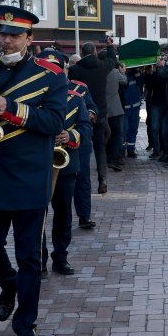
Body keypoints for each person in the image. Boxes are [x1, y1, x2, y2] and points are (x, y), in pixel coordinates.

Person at [0, 5, 66, 336]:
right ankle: (8, 286)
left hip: (28, 178)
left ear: (29, 39)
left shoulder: (51, 75)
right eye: (1, 33)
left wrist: (11, 109)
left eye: (14, 35)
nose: (6, 40)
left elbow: (53, 122)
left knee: (29, 259)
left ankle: (26, 326)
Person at [37, 49, 91, 276]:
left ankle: (61, 257)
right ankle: (38, 260)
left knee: (63, 214)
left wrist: (71, 136)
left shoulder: (76, 98)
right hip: (37, 164)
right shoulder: (30, 97)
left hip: (65, 163)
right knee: (37, 215)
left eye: (58, 68)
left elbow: (86, 127)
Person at [68, 39, 117, 194]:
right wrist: (110, 46)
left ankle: (82, 179)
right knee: (100, 148)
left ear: (82, 54)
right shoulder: (103, 67)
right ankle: (102, 179)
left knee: (82, 148)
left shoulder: (75, 70)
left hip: (81, 113)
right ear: (95, 52)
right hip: (100, 113)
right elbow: (112, 60)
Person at [70, 79, 99, 230]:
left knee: (82, 180)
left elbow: (92, 107)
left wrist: (90, 113)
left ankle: (84, 216)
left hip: (79, 144)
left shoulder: (79, 88)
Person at [104, 58, 128, 170]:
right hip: (115, 108)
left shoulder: (99, 70)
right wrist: (122, 71)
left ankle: (105, 158)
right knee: (117, 134)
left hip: (102, 108)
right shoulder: (114, 72)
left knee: (105, 134)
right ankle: (114, 158)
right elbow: (124, 80)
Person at [123, 66, 143, 158]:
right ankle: (122, 150)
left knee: (133, 129)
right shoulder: (121, 75)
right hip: (124, 109)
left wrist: (137, 71)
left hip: (135, 108)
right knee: (124, 129)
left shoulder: (136, 75)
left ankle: (131, 149)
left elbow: (141, 82)